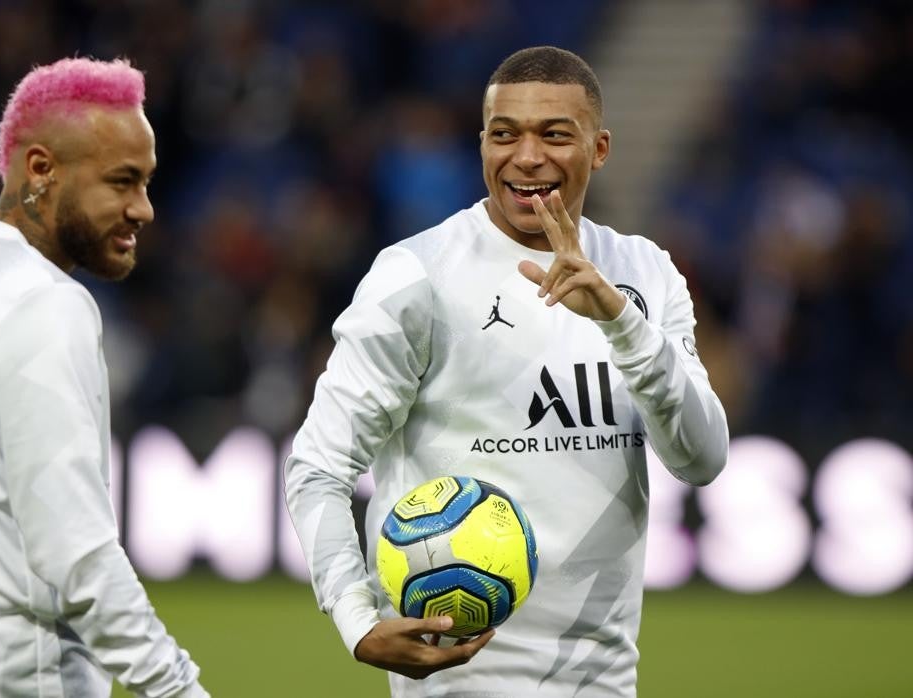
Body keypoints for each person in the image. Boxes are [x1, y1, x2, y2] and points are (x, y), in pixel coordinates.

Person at [285, 46, 728, 697]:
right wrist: (354, 618)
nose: (527, 157)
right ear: (482, 146)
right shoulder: (417, 277)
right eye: (504, 135)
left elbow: (703, 458)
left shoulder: (645, 273)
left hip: (603, 682)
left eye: (554, 134)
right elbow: (318, 466)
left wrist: (619, 320)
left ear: (599, 148)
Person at [0, 57, 208, 697]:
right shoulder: (46, 305)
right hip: (11, 678)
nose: (143, 209)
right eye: (121, 182)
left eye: (147, 183)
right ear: (40, 170)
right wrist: (176, 688)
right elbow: (78, 552)